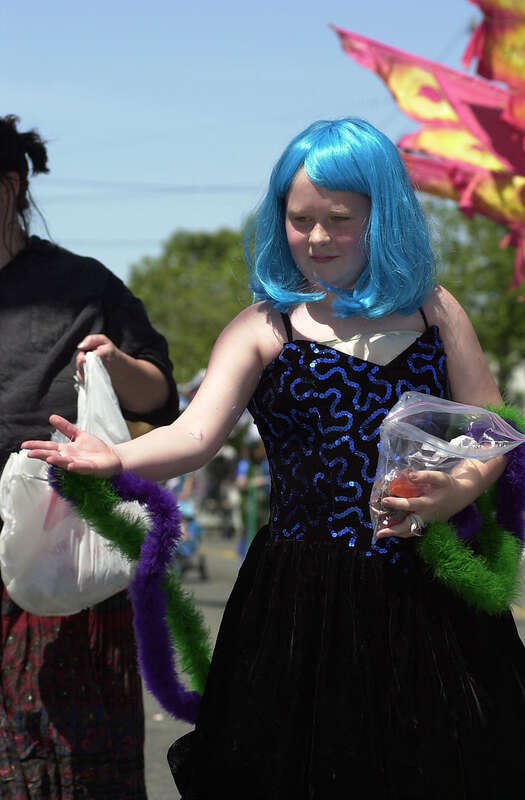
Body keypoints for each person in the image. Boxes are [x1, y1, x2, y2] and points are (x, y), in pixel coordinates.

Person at [23, 118, 525, 799]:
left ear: (385, 216)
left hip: (431, 594)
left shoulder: (435, 312)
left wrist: (454, 491)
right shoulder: (266, 324)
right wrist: (113, 457)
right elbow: (196, 434)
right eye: (299, 219)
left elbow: (490, 427)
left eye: (338, 219)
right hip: (301, 598)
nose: (316, 237)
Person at [0, 115, 179, 799]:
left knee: (70, 773)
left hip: (61, 564)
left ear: (9, 186)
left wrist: (115, 362)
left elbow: (161, 399)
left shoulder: (81, 285)